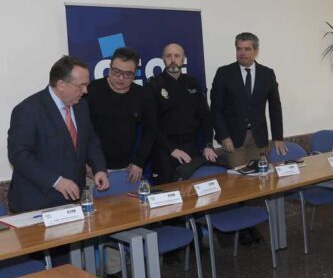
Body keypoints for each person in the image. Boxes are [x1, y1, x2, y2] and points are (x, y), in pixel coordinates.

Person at [8, 56, 109, 212]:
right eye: (81, 86)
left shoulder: (81, 106)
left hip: (74, 199)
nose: (85, 91)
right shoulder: (28, 110)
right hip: (37, 201)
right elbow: (19, 156)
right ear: (61, 84)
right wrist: (56, 181)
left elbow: (90, 141)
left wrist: (99, 168)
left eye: (86, 85)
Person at [210, 32, 287, 169]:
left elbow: (275, 107)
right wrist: (223, 136)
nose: (242, 53)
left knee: (260, 178)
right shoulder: (224, 73)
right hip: (233, 138)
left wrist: (278, 137)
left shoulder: (267, 74)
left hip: (258, 138)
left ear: (256, 51)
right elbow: (216, 108)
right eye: (239, 49)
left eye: (247, 49)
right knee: (240, 180)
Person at [147, 43, 217, 184]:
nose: (173, 59)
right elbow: (150, 123)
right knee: (168, 195)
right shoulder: (154, 85)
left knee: (194, 192)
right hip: (165, 150)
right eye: (169, 56)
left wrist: (208, 145)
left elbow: (205, 116)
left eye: (177, 56)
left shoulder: (193, 83)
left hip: (192, 147)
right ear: (163, 59)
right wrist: (171, 149)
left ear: (183, 59)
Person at [86, 47, 155, 182]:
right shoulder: (91, 91)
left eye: (128, 74)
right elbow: (81, 132)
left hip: (129, 168)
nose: (121, 78)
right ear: (110, 68)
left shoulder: (142, 94)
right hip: (94, 168)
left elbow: (150, 131)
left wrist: (139, 161)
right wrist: (85, 162)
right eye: (116, 72)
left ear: (135, 74)